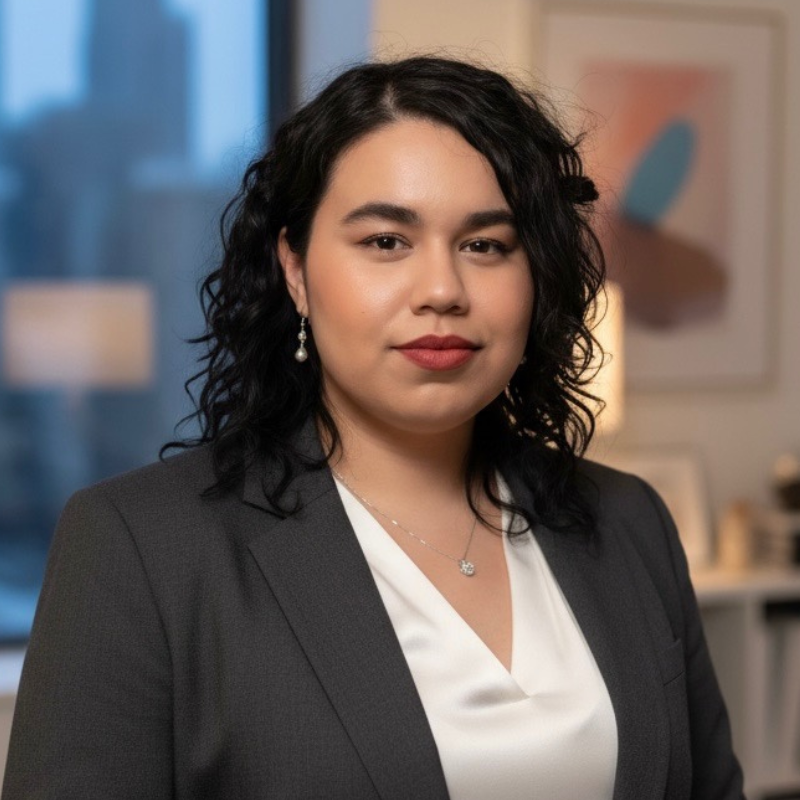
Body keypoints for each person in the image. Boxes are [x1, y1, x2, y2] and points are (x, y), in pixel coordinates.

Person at [2, 56, 743, 800]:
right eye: (387, 241)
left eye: (486, 244)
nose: (443, 291)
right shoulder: (140, 548)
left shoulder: (627, 520)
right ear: (294, 268)